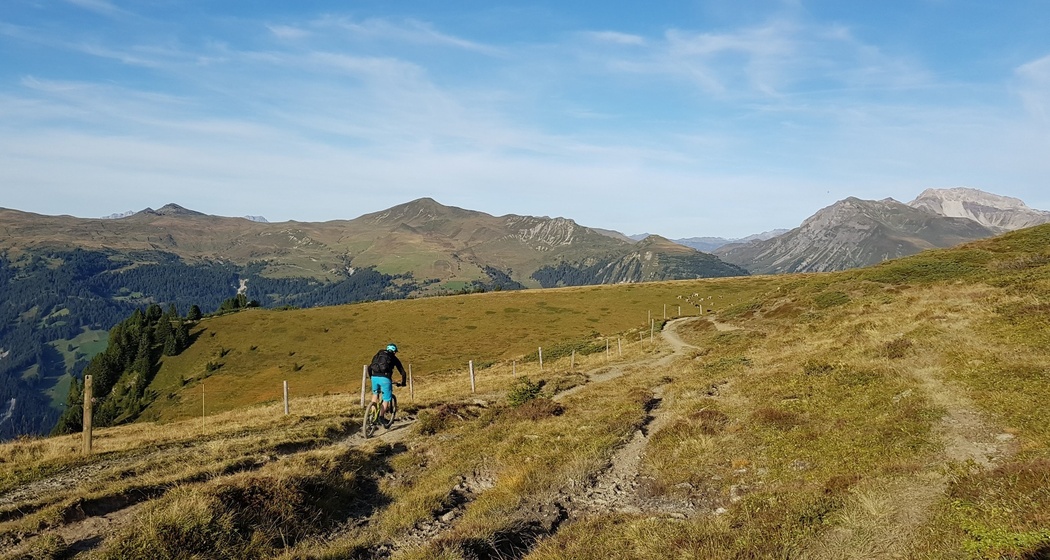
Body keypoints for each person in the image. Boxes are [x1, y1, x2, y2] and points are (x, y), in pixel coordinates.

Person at [368, 343, 407, 426]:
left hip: (374, 377)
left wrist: (371, 377)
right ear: (394, 351)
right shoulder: (394, 358)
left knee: (375, 394)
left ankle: (371, 415)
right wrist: (403, 383)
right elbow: (403, 373)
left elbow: (369, 367)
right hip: (385, 379)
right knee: (386, 399)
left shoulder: (378, 355)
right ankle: (381, 417)